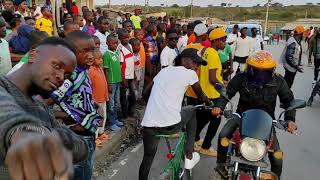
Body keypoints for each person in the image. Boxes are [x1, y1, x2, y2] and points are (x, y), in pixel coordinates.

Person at [0, 37, 88, 180]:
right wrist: (22, 132)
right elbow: (7, 115)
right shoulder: (3, 91)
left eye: (67, 76)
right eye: (57, 66)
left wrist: (47, 136)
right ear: (33, 55)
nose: (60, 77)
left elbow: (81, 147)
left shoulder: (40, 108)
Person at [213, 51, 297, 179]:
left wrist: (290, 119)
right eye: (257, 71)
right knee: (223, 134)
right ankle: (221, 165)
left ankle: (274, 177)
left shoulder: (279, 80)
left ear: (272, 70)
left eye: (265, 72)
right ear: (249, 68)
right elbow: (227, 93)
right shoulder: (241, 77)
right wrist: (219, 106)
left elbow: (289, 100)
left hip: (267, 119)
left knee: (277, 156)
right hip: (241, 114)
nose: (261, 76)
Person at [139, 48, 210, 180]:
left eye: (198, 64)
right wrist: (210, 103)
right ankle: (188, 155)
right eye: (195, 63)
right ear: (184, 60)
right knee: (192, 110)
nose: (197, 66)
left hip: (149, 124)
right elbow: (201, 96)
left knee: (148, 157)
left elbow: (145, 94)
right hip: (171, 125)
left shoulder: (164, 71)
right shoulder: (190, 74)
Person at [50, 31, 101, 180]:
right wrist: (70, 117)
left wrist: (92, 105)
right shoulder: (70, 77)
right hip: (78, 138)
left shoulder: (83, 70)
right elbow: (44, 104)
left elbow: (79, 98)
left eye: (92, 50)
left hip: (87, 135)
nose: (91, 55)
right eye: (84, 51)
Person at [188, 28, 225, 156]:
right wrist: (224, 87)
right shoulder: (214, 54)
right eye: (223, 40)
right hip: (213, 94)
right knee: (215, 121)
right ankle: (206, 146)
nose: (225, 43)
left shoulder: (206, 51)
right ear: (217, 40)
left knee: (202, 119)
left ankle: (194, 140)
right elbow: (212, 78)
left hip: (204, 92)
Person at [89, 49, 109, 146]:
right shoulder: (90, 71)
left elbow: (104, 82)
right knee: (96, 118)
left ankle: (101, 132)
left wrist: (106, 95)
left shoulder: (100, 69)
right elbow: (90, 86)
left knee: (103, 116)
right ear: (92, 60)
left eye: (101, 58)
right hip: (96, 100)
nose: (101, 60)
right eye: (98, 59)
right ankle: (95, 137)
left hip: (103, 98)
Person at [104, 35, 123, 131]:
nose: (115, 45)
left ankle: (115, 119)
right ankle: (111, 123)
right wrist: (108, 84)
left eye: (116, 43)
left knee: (116, 102)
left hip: (117, 81)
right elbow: (106, 70)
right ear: (107, 43)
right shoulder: (107, 54)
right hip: (111, 83)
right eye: (113, 43)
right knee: (111, 104)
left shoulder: (115, 53)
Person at [117, 29, 136, 118]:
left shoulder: (130, 46)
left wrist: (134, 72)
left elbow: (131, 61)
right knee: (124, 96)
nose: (126, 39)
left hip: (131, 74)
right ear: (120, 38)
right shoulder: (120, 49)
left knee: (132, 95)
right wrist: (123, 79)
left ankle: (130, 111)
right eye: (124, 38)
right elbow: (120, 66)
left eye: (127, 37)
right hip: (125, 76)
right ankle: (124, 114)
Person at [134, 29, 146, 103]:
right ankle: (135, 98)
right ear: (135, 35)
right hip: (137, 66)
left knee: (141, 82)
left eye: (142, 35)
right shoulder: (134, 43)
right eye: (139, 35)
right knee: (136, 83)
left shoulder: (141, 43)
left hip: (142, 65)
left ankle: (139, 97)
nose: (141, 36)